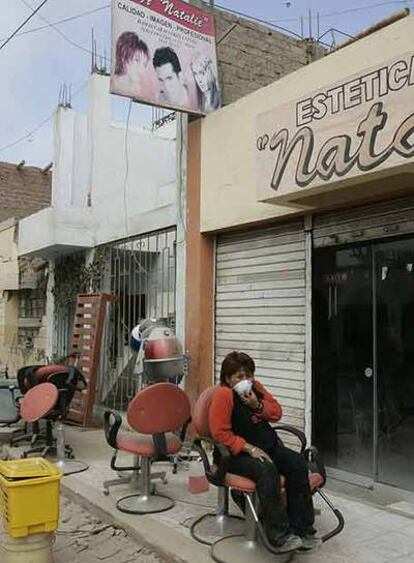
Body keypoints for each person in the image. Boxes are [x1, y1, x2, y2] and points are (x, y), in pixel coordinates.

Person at [209, 351, 318, 553]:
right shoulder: (223, 395)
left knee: (296, 463)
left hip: (268, 446)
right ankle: (279, 534)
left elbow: (276, 412)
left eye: (248, 375)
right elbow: (219, 433)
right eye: (239, 377)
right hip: (235, 455)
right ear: (228, 378)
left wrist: (257, 405)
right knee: (267, 471)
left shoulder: (255, 389)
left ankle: (302, 529)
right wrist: (249, 448)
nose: (245, 380)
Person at [112, 31, 150, 98]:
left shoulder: (136, 87)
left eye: (144, 64)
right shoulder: (114, 84)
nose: (142, 70)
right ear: (123, 57)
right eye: (137, 60)